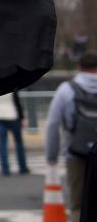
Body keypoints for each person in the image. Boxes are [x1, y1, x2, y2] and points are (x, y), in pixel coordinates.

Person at [45, 52, 97, 221]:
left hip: (75, 152)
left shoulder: (67, 89)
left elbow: (53, 124)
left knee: (78, 204)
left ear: (79, 68)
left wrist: (51, 156)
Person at [0, 91, 30, 175]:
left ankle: (5, 168)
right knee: (18, 142)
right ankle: (22, 166)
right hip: (12, 114)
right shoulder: (11, 84)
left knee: (2, 143)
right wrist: (22, 117)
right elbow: (17, 101)